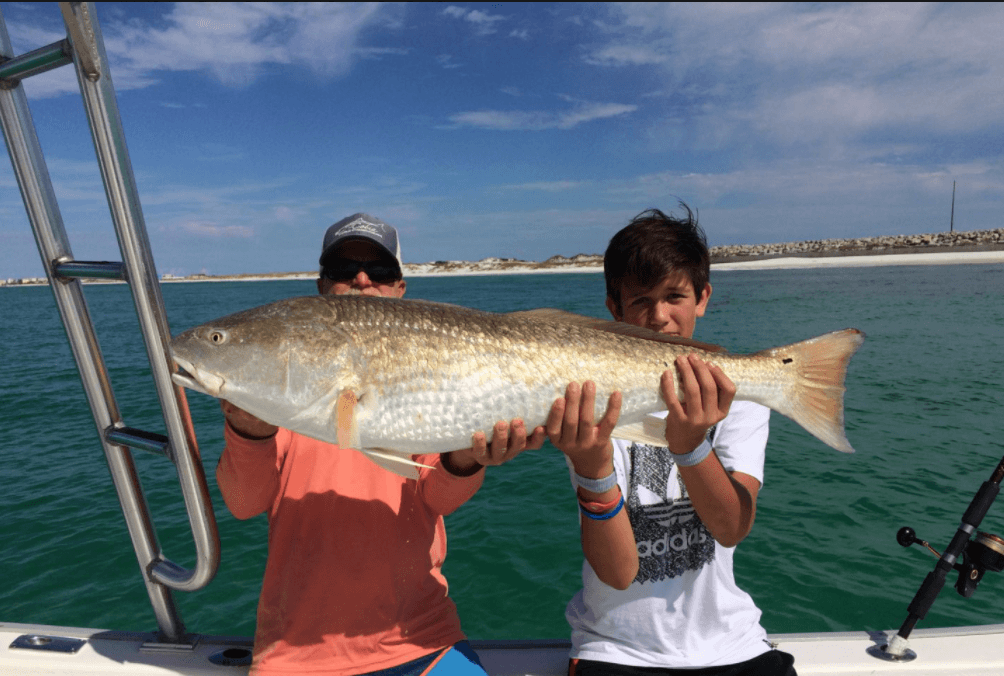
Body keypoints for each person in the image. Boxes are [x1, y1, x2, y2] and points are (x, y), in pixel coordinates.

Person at [216, 213, 544, 676]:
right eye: (343, 270)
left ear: (400, 288)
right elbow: (244, 502)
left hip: (424, 640)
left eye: (380, 271)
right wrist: (249, 428)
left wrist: (469, 456)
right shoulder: (280, 388)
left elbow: (439, 497)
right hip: (296, 655)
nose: (363, 279)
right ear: (321, 286)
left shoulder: (435, 370)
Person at [545, 206, 797, 675]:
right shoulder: (595, 399)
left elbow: (732, 527)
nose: (659, 316)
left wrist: (691, 446)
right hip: (614, 647)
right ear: (614, 309)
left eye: (674, 296)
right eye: (640, 300)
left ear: (702, 297)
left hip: (734, 644)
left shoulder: (739, 397)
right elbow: (619, 573)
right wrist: (591, 466)